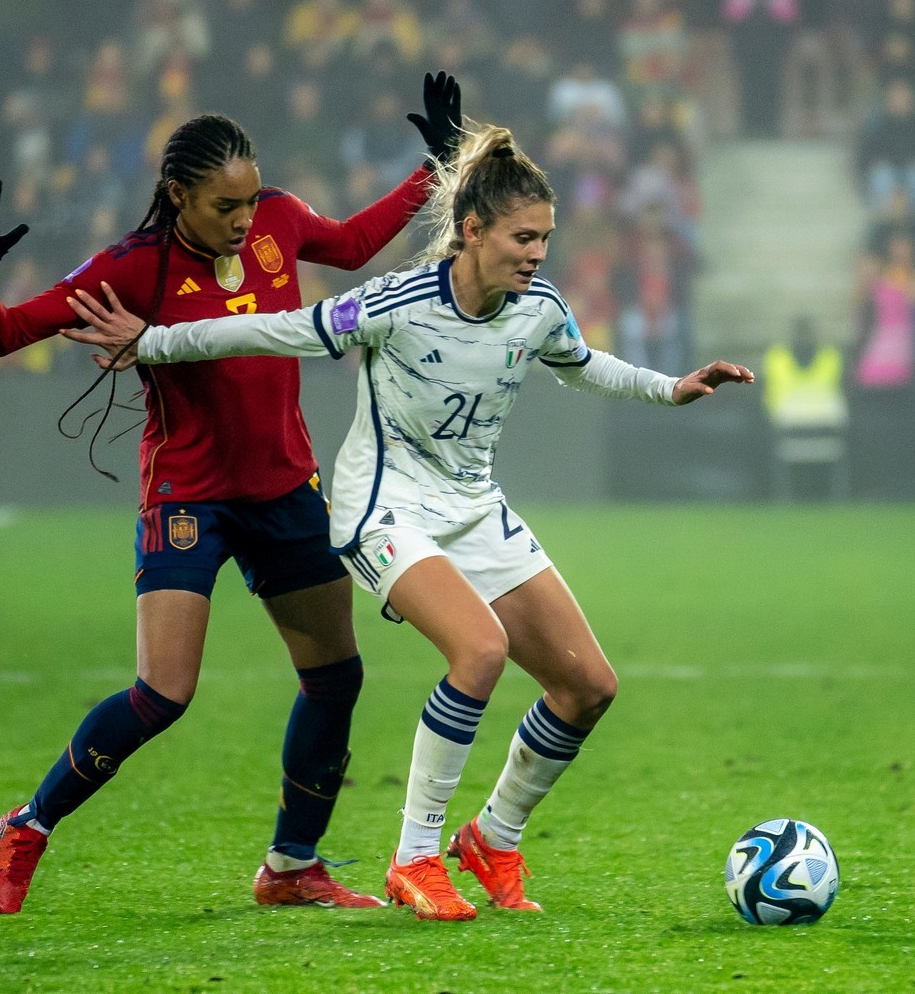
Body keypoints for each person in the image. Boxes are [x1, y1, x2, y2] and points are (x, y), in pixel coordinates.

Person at [61, 123, 754, 920]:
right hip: (380, 506)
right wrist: (154, 341)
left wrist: (672, 387)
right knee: (480, 650)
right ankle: (415, 858)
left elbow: (582, 361)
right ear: (472, 230)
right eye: (522, 238)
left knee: (587, 686)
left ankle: (492, 838)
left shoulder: (537, 310)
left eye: (545, 239)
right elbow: (279, 328)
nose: (536, 254)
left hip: (471, 506)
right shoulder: (400, 301)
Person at [0, 73, 465, 914]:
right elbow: (4, 336)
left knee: (335, 677)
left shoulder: (277, 220)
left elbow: (354, 240)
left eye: (251, 201)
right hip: (190, 497)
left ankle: (292, 866)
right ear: (177, 195)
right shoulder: (130, 267)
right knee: (163, 693)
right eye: (225, 206)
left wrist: (434, 168)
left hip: (283, 489)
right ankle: (28, 826)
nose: (243, 220)